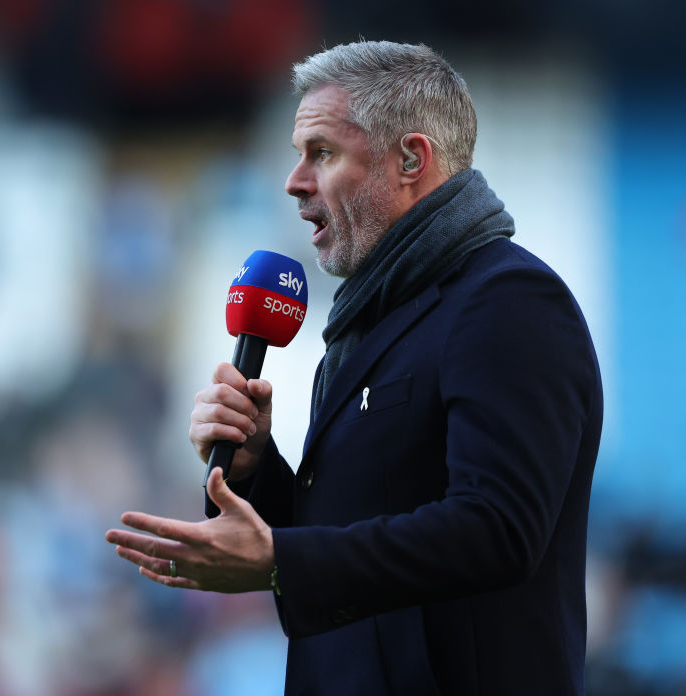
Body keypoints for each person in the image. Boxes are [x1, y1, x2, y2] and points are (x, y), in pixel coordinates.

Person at [105, 40, 602, 696]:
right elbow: (343, 546)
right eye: (297, 156)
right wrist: (257, 468)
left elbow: (498, 529)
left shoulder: (508, 301)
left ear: (410, 160)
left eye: (322, 153)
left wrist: (283, 559)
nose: (294, 181)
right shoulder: (371, 322)